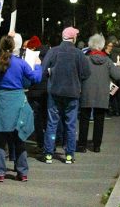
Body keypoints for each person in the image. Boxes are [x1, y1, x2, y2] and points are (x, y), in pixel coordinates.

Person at [0, 35, 42, 182]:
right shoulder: (20, 63)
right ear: (14, 47)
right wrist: (38, 65)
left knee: (0, 140)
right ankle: (22, 172)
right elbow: (36, 78)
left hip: (1, 100)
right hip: (17, 100)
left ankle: (0, 172)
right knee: (19, 139)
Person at [42, 27, 91, 164]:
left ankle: (48, 154)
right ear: (74, 38)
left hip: (55, 92)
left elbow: (43, 70)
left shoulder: (53, 51)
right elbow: (86, 74)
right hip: (72, 93)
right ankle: (69, 155)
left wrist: (51, 73)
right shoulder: (78, 54)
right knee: (71, 124)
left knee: (52, 123)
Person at [77, 34, 120, 153]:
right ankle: (96, 145)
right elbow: (117, 75)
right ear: (102, 46)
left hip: (87, 92)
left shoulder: (85, 60)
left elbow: (80, 75)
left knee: (84, 118)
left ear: (90, 45)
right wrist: (118, 66)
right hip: (102, 93)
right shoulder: (107, 61)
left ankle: (82, 145)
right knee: (99, 119)